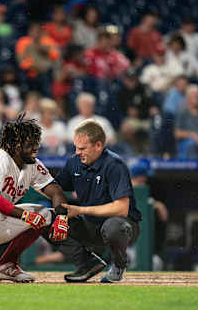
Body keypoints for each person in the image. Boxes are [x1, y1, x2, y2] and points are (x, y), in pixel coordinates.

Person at [0, 114, 70, 283]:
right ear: (16, 145)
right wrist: (25, 216)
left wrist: (61, 217)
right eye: (30, 143)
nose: (36, 146)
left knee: (44, 214)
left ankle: (7, 265)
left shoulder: (32, 164)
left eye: (36, 141)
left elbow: (56, 192)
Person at [53, 119, 142, 283]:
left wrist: (80, 210)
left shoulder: (114, 164)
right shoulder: (74, 162)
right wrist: (32, 177)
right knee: (47, 217)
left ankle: (119, 264)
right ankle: (88, 263)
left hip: (124, 226)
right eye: (76, 147)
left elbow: (121, 208)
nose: (77, 152)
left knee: (113, 226)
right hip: (90, 226)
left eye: (82, 148)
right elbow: (55, 188)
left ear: (99, 146)